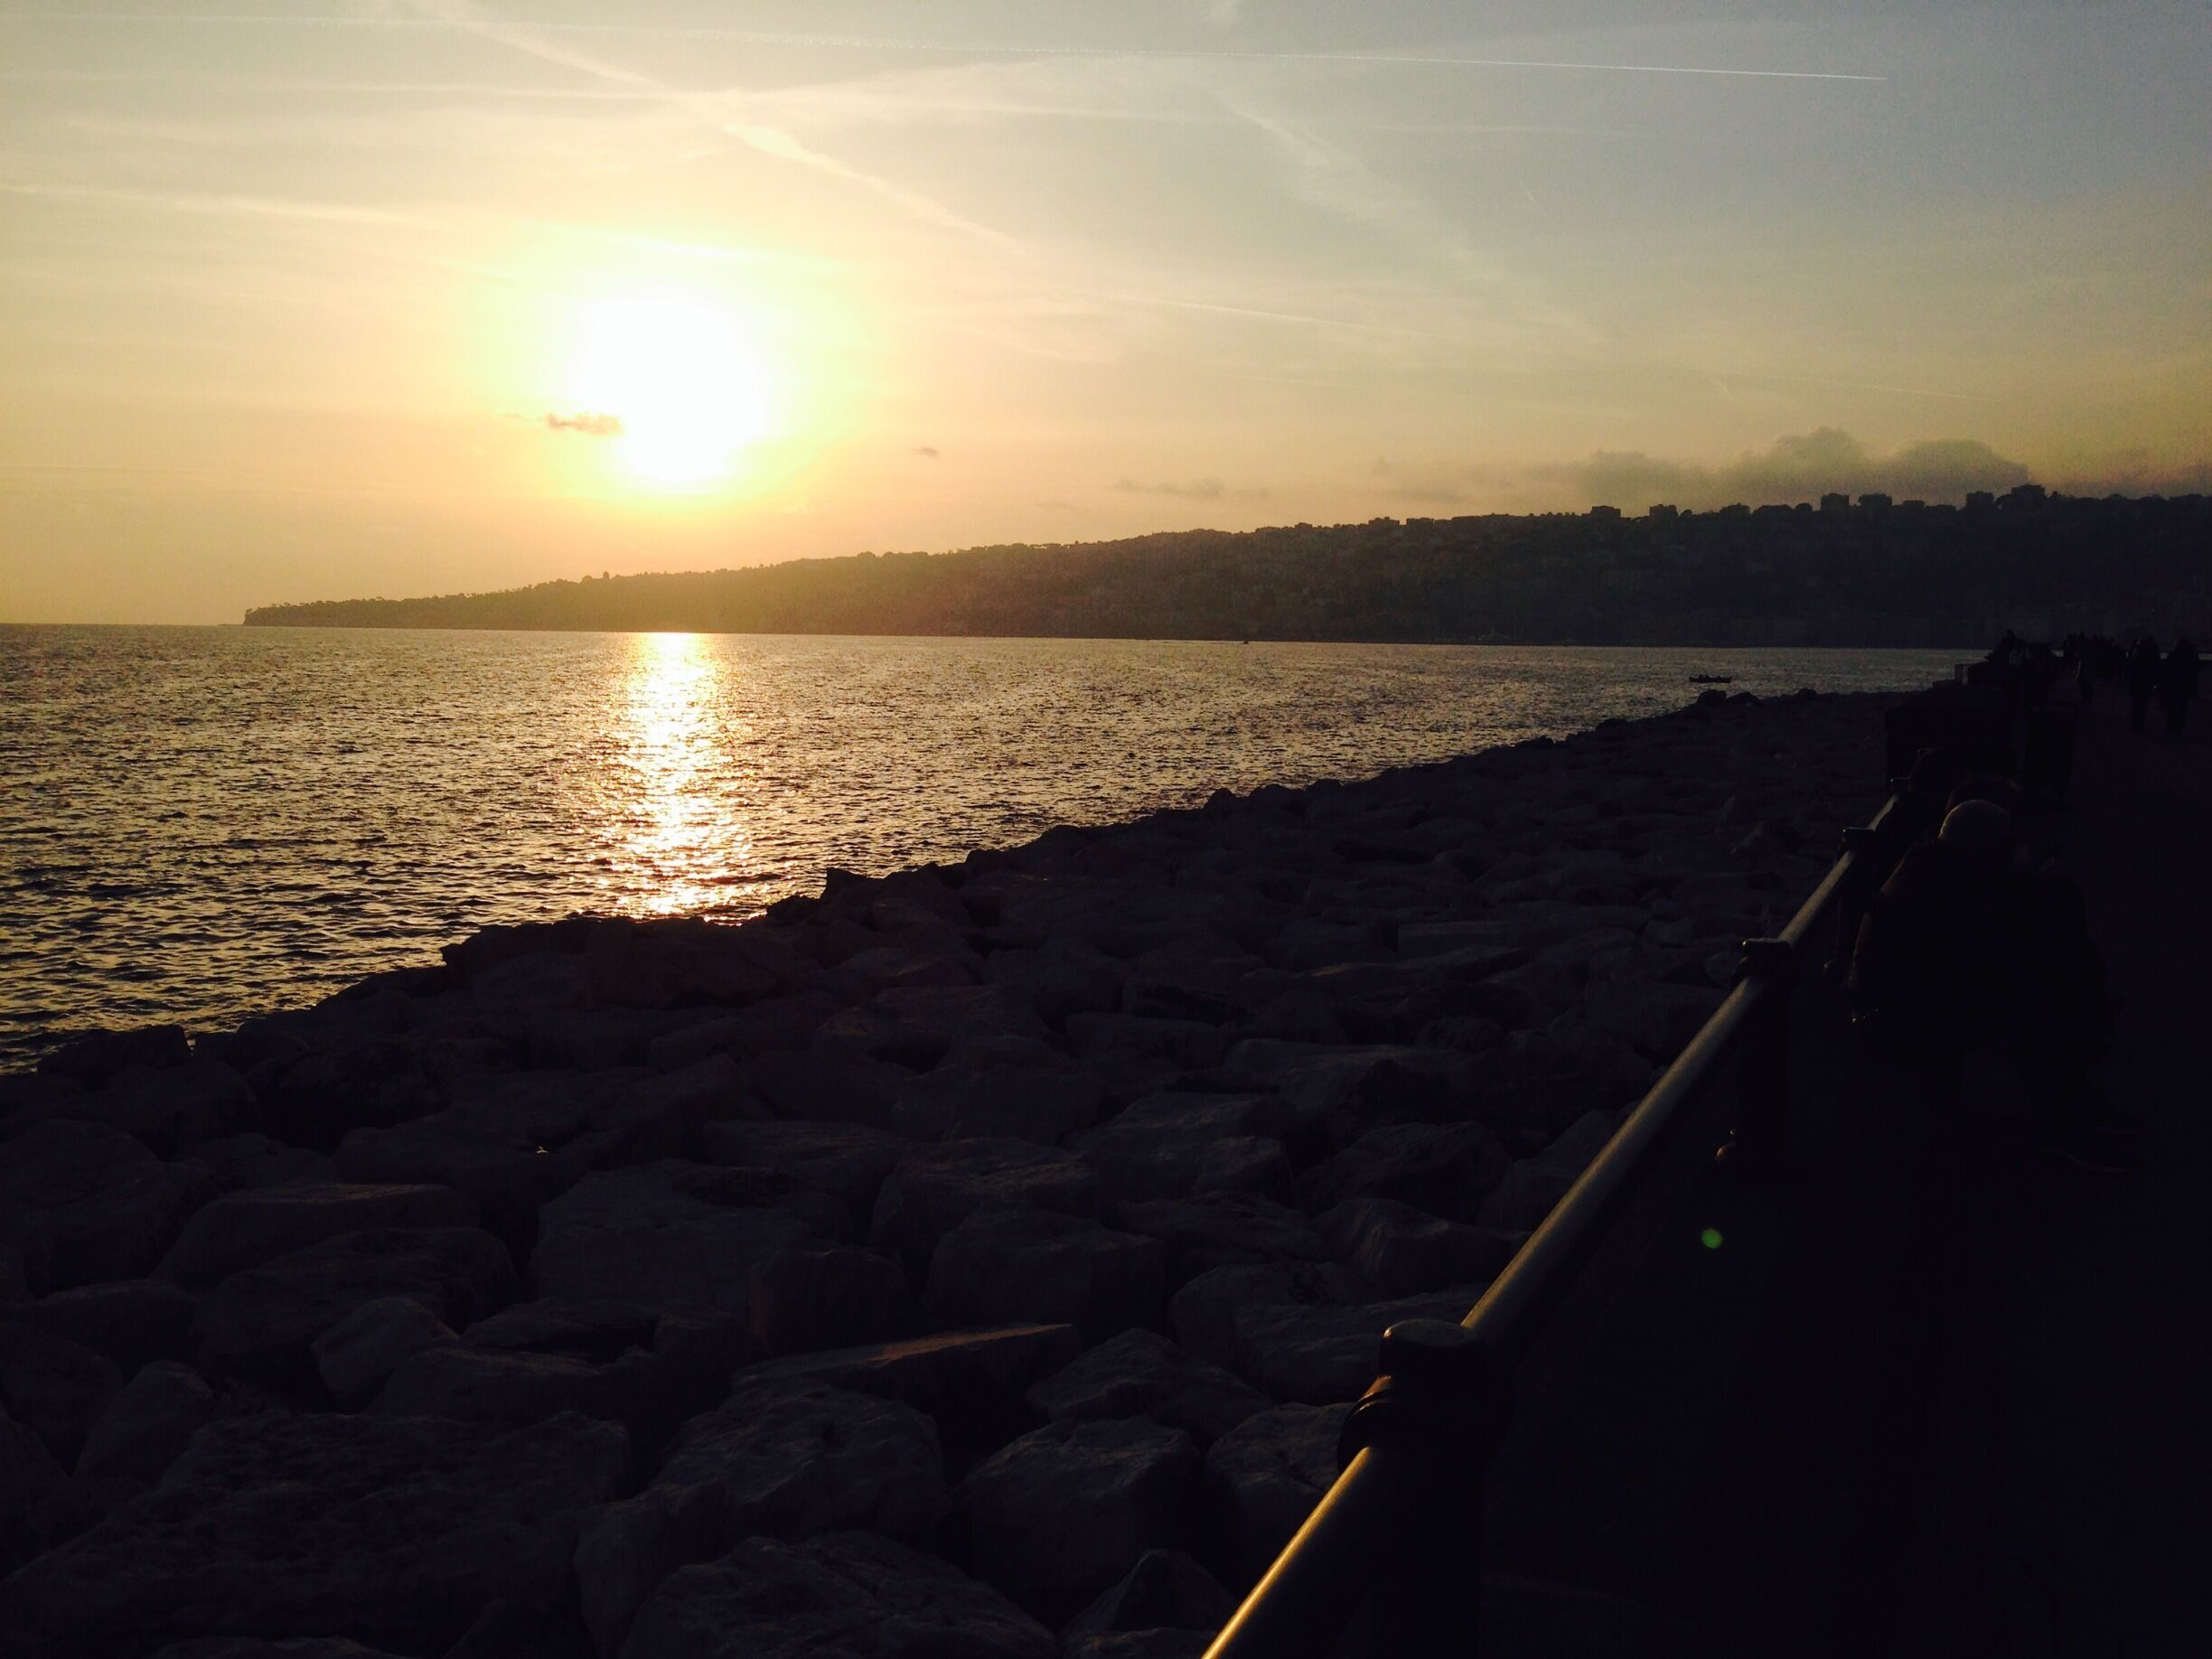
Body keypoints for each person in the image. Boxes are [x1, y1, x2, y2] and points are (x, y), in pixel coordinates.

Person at [1849, 798, 2132, 1175]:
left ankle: (2071, 1100)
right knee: (2035, 998)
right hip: (1899, 1022)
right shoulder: (1942, 894)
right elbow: (1975, 963)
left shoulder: (1938, 869)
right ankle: (2060, 1125)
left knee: (2043, 971)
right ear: (1986, 852)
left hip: (1904, 1004)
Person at [2159, 637, 2199, 736]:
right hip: (2185, 686)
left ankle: (2170, 726)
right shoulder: (2190, 656)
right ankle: (2178, 728)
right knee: (2182, 708)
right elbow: (2196, 669)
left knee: (2171, 708)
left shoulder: (2172, 655)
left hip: (2172, 686)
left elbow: (2165, 670)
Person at [2125, 636, 2161, 733]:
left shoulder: (2134, 654)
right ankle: (2139, 724)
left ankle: (2134, 723)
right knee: (2143, 705)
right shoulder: (2151, 655)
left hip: (2135, 682)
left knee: (2135, 704)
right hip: (2145, 683)